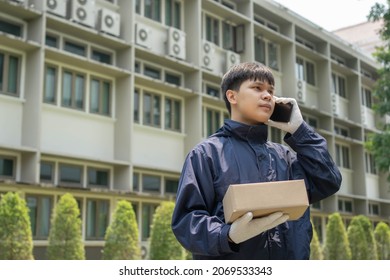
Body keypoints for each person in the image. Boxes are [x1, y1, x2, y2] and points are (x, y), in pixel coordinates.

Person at [171, 62, 342, 260]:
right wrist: (227, 235)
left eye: (271, 90)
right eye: (257, 88)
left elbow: (329, 181)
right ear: (232, 96)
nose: (268, 95)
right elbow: (186, 222)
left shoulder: (286, 157)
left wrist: (300, 130)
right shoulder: (206, 154)